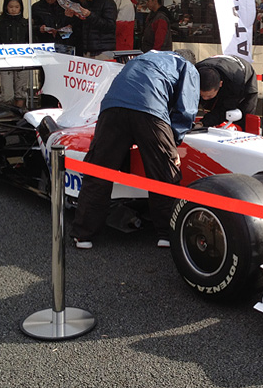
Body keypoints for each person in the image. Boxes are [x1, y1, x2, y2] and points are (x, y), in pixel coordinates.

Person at [70, 50, 199, 249]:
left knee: (98, 172)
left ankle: (82, 234)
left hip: (111, 108)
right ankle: (166, 234)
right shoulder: (186, 65)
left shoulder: (143, 57)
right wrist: (173, 143)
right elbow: (186, 109)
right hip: (151, 109)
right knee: (164, 173)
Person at [194, 55, 258, 130]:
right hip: (219, 64)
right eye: (201, 95)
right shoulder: (192, 74)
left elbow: (224, 110)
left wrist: (202, 123)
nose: (205, 98)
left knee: (240, 119)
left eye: (209, 96)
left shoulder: (234, 83)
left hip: (244, 78)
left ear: (220, 84)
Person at [0, 0, 30, 109]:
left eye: (16, 7)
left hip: (23, 61)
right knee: (7, 93)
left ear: (21, 8)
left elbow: (31, 41)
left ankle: (20, 113)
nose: (13, 9)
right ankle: (5, 113)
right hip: (4, 61)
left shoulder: (25, 23)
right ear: (5, 7)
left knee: (21, 92)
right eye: (11, 7)